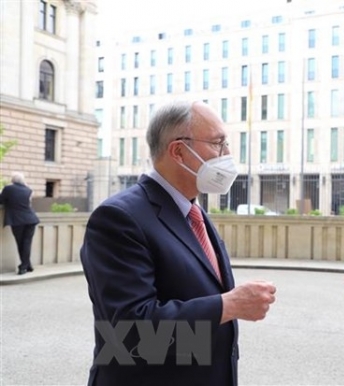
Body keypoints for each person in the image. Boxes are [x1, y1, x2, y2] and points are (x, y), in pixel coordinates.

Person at [80, 101, 276, 386]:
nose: (228, 154)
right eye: (218, 143)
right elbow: (130, 332)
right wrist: (229, 305)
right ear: (179, 152)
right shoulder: (119, 218)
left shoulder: (193, 212)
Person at [0, 172, 40, 275]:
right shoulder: (28, 190)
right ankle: (28, 265)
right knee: (26, 243)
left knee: (21, 243)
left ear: (13, 180)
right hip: (31, 219)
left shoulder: (8, 189)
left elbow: (1, 200)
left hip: (17, 220)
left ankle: (23, 267)